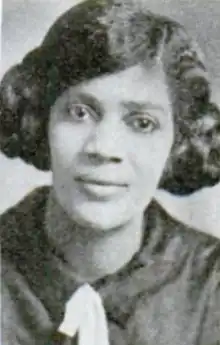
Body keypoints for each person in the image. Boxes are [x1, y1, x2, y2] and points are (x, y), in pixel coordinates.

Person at [1, 0, 220, 344]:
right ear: (41, 120)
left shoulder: (212, 286)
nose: (104, 147)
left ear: (179, 141)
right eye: (79, 112)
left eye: (143, 123)